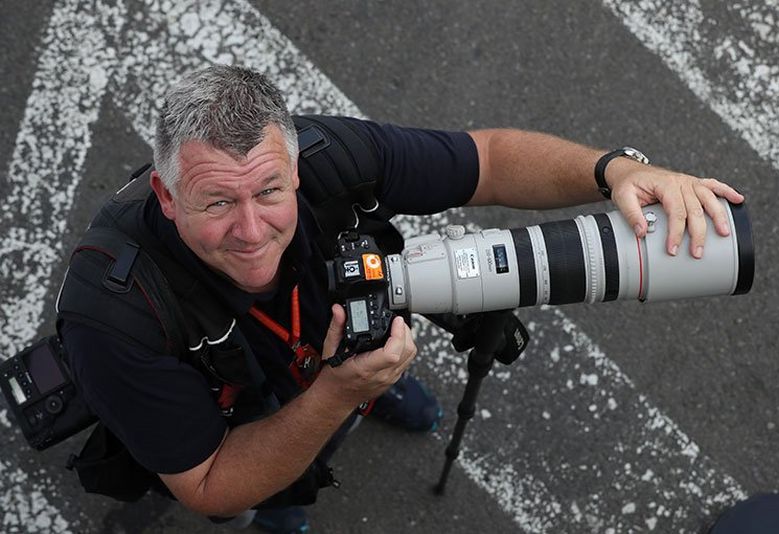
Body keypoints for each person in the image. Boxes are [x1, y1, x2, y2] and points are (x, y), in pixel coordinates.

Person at [57, 65, 744, 532]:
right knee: (275, 479)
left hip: (327, 341)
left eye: (269, 191)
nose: (250, 228)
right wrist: (333, 395)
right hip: (235, 401)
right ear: (166, 197)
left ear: (296, 170)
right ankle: (289, 507)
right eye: (216, 202)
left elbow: (491, 160)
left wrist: (619, 171)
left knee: (359, 352)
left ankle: (364, 387)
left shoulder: (331, 155)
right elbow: (209, 485)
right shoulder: (111, 315)